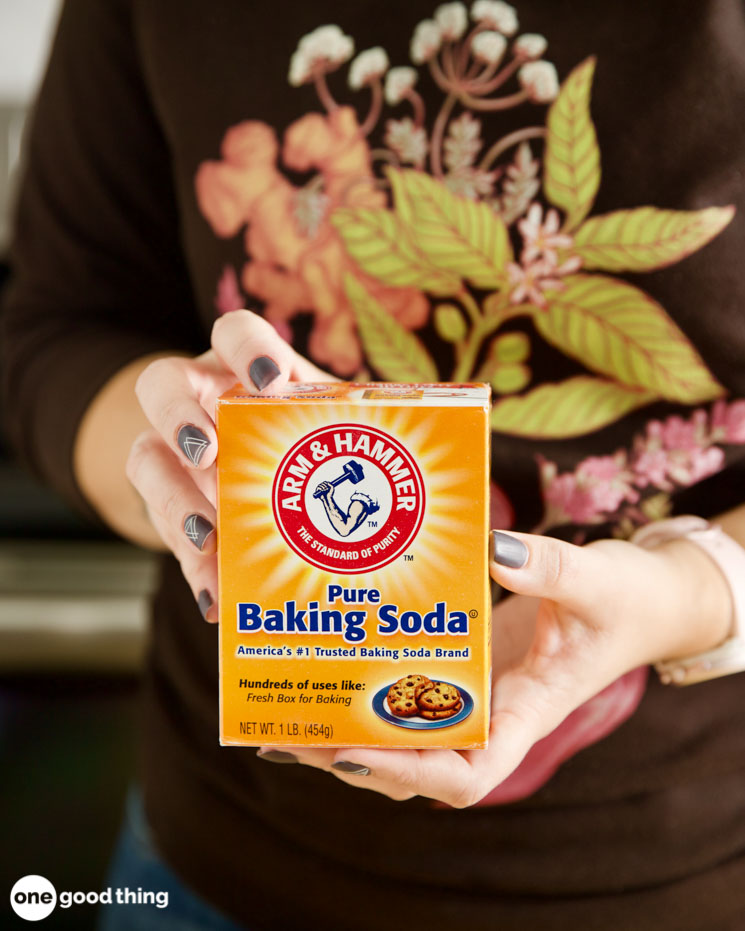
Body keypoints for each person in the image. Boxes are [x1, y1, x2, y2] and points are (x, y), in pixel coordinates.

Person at [3, 0, 745, 927]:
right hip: (216, 862)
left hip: (679, 878)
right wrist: (185, 464)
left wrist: (692, 590)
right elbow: (56, 333)